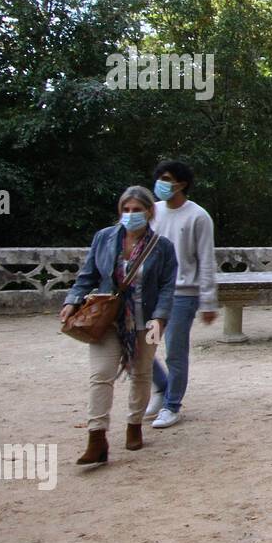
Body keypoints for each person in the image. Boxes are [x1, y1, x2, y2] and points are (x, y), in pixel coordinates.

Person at [59, 186, 178, 466]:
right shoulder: (104, 238)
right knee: (101, 374)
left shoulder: (162, 247)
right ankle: (96, 437)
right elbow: (87, 275)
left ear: (149, 212)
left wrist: (160, 318)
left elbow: (167, 287)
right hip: (107, 318)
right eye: (126, 210)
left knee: (141, 373)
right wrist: (72, 300)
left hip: (146, 319)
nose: (130, 215)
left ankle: (134, 423)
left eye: (137, 210)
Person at [145, 159, 218, 429]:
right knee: (141, 346)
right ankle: (161, 388)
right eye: (160, 178)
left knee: (175, 351)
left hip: (182, 295)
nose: (162, 184)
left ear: (182, 183)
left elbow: (206, 260)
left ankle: (172, 405)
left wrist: (208, 301)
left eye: (167, 179)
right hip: (152, 293)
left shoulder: (198, 216)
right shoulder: (152, 212)